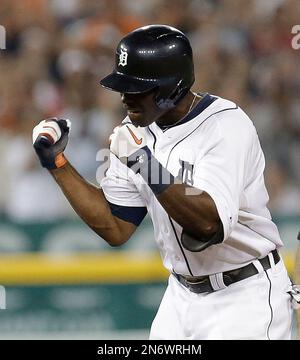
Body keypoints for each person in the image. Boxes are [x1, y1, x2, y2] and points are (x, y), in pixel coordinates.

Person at [32, 24, 293, 340]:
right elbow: (116, 226)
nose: (125, 98)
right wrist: (57, 164)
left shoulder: (225, 126)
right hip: (181, 295)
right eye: (123, 87)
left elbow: (209, 225)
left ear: (172, 87)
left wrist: (142, 162)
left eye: (137, 88)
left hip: (243, 293)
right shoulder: (137, 129)